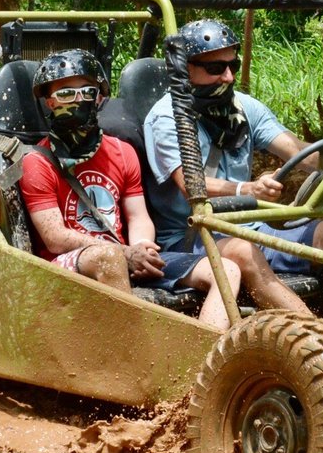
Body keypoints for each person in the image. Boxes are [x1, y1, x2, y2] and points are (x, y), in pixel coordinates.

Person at [143, 19, 323, 309]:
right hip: (191, 237)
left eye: (232, 66)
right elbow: (191, 186)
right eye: (215, 68)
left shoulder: (243, 106)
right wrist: (247, 190)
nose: (227, 77)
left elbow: (296, 150)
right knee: (243, 249)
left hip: (252, 228)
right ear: (185, 68)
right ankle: (317, 345)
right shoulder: (166, 117)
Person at [19, 49, 241, 330]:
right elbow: (54, 238)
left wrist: (141, 247)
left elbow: (137, 217)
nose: (78, 101)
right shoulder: (37, 161)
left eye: (87, 92)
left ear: (100, 98)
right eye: (66, 94)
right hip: (65, 265)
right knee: (108, 258)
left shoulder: (122, 152)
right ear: (50, 102)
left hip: (125, 255)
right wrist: (124, 253)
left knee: (227, 270)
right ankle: (135, 354)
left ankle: (205, 357)